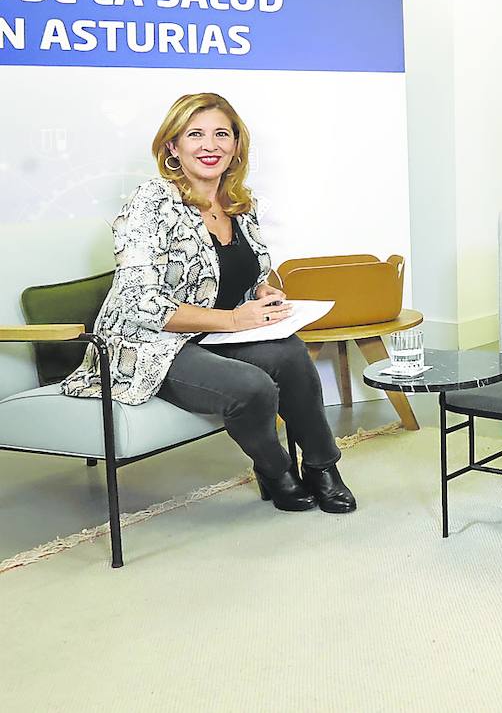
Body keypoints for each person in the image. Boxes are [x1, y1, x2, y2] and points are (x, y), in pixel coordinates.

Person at [63, 93, 356, 514]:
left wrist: (260, 292)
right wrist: (235, 319)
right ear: (172, 146)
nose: (210, 145)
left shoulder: (239, 204)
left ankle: (323, 467)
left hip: (208, 335)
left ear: (236, 145)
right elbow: (138, 301)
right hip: (146, 345)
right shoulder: (151, 202)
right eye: (195, 135)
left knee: (291, 354)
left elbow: (231, 276)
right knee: (251, 387)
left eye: (221, 134)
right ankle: (276, 470)